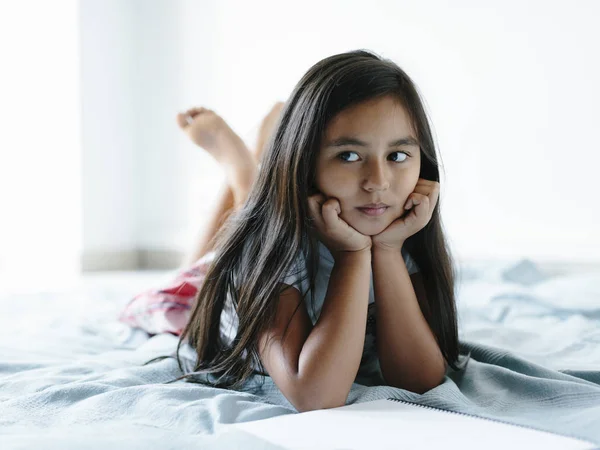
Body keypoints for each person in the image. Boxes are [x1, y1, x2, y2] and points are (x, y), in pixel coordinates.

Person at [119, 49, 465, 413]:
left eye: (397, 156)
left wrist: (389, 252)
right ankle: (241, 171)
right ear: (302, 161)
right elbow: (316, 395)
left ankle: (251, 174)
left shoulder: (406, 234)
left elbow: (420, 380)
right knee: (203, 268)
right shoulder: (267, 254)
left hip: (278, 219)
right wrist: (352, 255)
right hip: (219, 289)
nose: (378, 183)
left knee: (248, 216)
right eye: (349, 155)